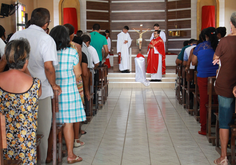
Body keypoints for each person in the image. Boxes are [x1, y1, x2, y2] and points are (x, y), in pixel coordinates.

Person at [10, 8, 61, 163]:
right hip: (41, 91)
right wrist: (53, 85)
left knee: (17, 130)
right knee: (42, 131)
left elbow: (7, 60)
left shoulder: (16, 35)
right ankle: (40, 160)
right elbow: (48, 67)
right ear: (47, 23)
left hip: (15, 89)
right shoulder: (46, 39)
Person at [0, 39, 42, 165]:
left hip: (3, 142)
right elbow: (38, 95)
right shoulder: (35, 84)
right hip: (26, 144)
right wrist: (26, 68)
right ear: (26, 61)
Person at [49, 25, 86, 163]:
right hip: (69, 90)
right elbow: (78, 73)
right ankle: (70, 155)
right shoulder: (72, 51)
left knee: (52, 124)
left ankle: (49, 155)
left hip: (52, 91)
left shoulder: (49, 52)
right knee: (68, 124)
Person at [213, 12, 236, 165]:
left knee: (225, 122)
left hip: (225, 85)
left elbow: (215, 58)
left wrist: (219, 59)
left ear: (231, 23)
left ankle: (223, 157)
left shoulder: (224, 42)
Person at [192, 27, 218, 136]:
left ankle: (204, 129)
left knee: (204, 102)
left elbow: (193, 62)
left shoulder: (199, 47)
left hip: (203, 76)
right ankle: (220, 128)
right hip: (217, 77)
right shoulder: (218, 46)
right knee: (217, 102)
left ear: (205, 36)